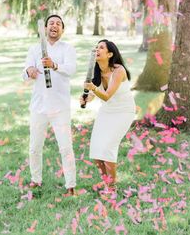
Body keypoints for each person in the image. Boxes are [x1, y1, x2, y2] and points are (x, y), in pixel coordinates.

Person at [23, 15, 76, 195]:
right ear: (45, 28)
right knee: (34, 147)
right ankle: (35, 180)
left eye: (58, 24)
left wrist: (54, 65)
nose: (54, 26)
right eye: (51, 23)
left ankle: (70, 185)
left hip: (60, 107)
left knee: (66, 147)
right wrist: (29, 71)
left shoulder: (67, 49)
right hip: (39, 106)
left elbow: (71, 69)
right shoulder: (34, 49)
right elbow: (26, 71)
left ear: (62, 29)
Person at [80, 39, 136, 192]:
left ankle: (111, 188)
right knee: (97, 149)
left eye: (101, 47)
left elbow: (107, 95)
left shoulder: (119, 70)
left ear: (110, 54)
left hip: (124, 111)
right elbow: (93, 95)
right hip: (107, 111)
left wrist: (93, 89)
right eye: (96, 47)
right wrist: (86, 98)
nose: (97, 49)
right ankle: (106, 182)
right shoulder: (95, 71)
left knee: (108, 147)